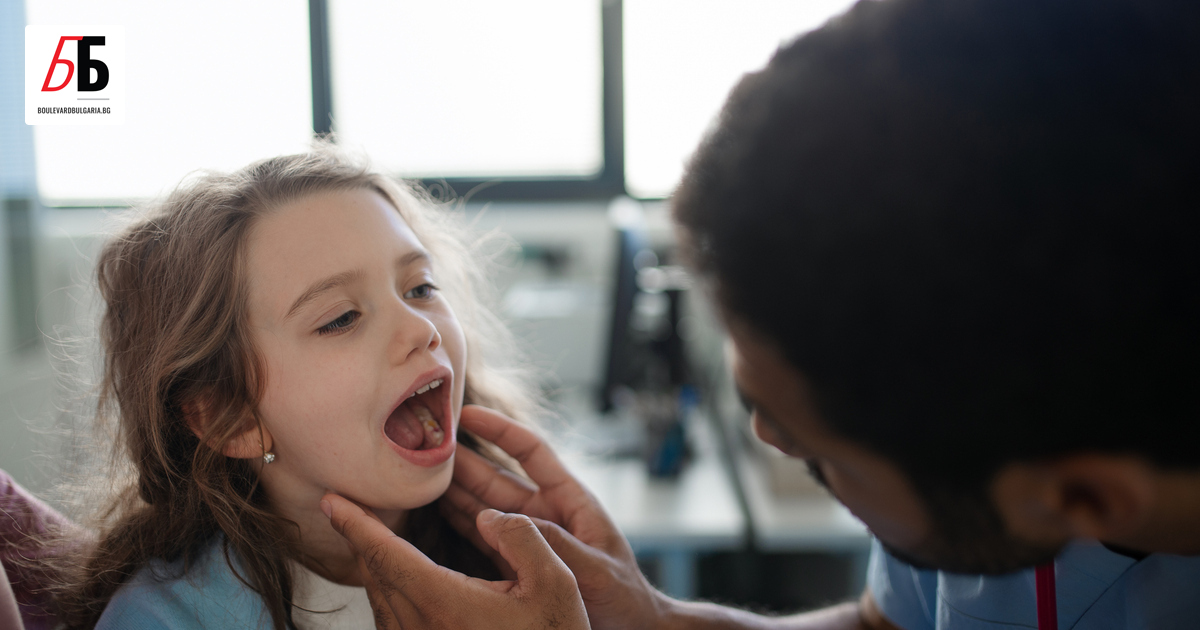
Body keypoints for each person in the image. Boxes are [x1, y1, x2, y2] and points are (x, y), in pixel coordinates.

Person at [321, 0, 1200, 627]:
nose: (768, 438)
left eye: (817, 450)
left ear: (1083, 497)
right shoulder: (983, 446)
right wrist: (657, 620)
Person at [32, 148, 588, 630]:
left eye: (420, 287)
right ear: (231, 417)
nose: (422, 329)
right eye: (342, 318)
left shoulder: (535, 563)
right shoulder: (164, 622)